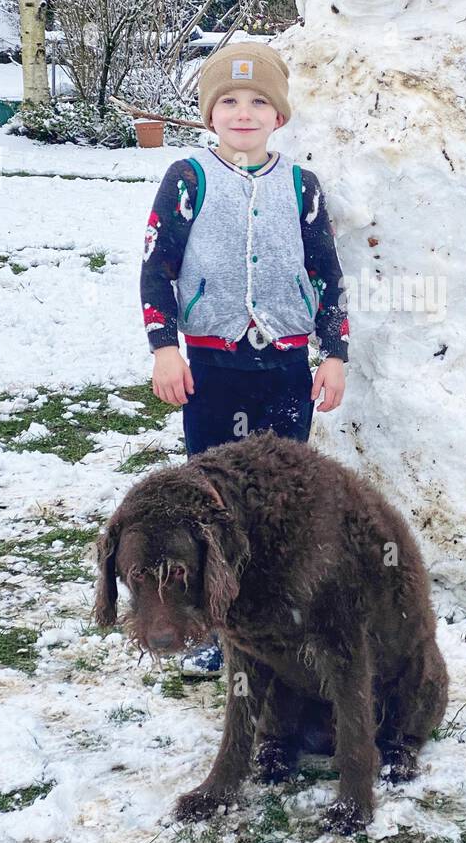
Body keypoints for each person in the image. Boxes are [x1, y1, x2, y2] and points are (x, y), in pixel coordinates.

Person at [139, 40, 349, 675]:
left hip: (284, 369)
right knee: (207, 500)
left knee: (285, 498)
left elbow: (327, 274)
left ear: (278, 115)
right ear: (209, 113)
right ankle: (210, 626)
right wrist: (165, 349)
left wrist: (332, 353)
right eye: (228, 101)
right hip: (212, 367)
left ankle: (279, 619)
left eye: (259, 101)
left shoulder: (301, 186)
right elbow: (158, 270)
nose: (243, 112)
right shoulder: (188, 179)